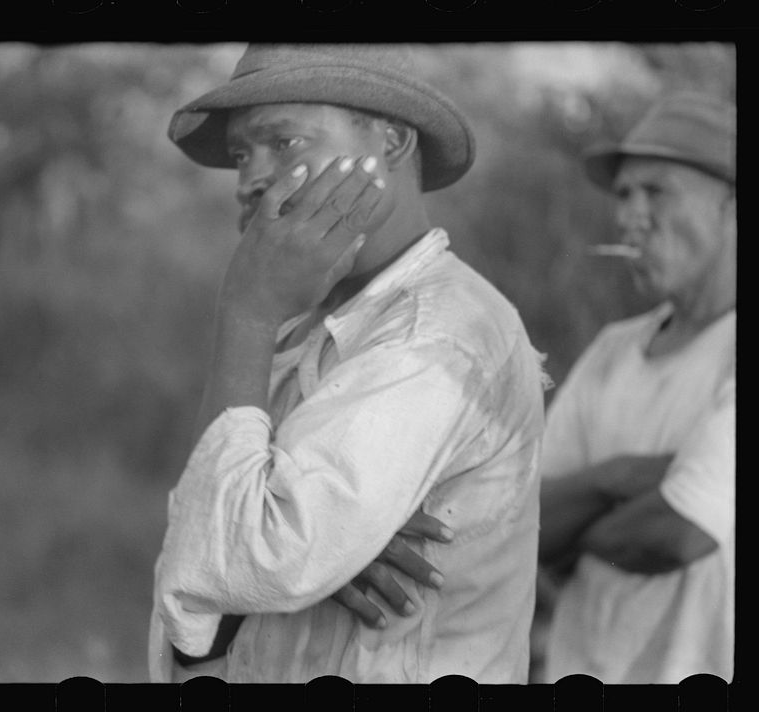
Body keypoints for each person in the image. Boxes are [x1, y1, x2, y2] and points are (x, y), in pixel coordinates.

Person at [148, 44, 550, 683]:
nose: (251, 178)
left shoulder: (441, 334)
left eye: (284, 143)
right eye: (239, 155)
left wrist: (245, 312)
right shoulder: (309, 329)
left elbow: (238, 554)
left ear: (392, 141)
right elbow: (206, 573)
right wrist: (323, 549)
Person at [537, 92, 735, 683]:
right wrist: (618, 477)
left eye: (656, 191)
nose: (628, 217)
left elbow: (678, 533)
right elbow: (531, 528)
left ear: (733, 204)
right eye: (623, 195)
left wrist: (578, 528)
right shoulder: (612, 350)